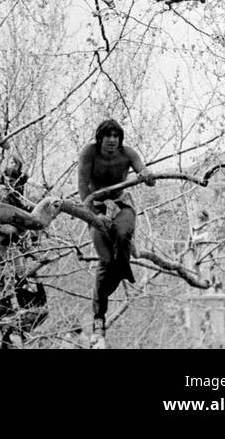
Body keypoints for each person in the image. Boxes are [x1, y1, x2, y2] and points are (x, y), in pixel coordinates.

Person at [77, 118, 155, 348]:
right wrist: (92, 214)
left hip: (122, 205)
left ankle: (124, 269)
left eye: (116, 136)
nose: (112, 141)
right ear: (99, 138)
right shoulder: (88, 153)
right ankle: (98, 320)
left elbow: (145, 173)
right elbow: (82, 186)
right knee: (105, 263)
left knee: (123, 234)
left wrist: (146, 176)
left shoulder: (127, 153)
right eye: (107, 136)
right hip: (97, 208)